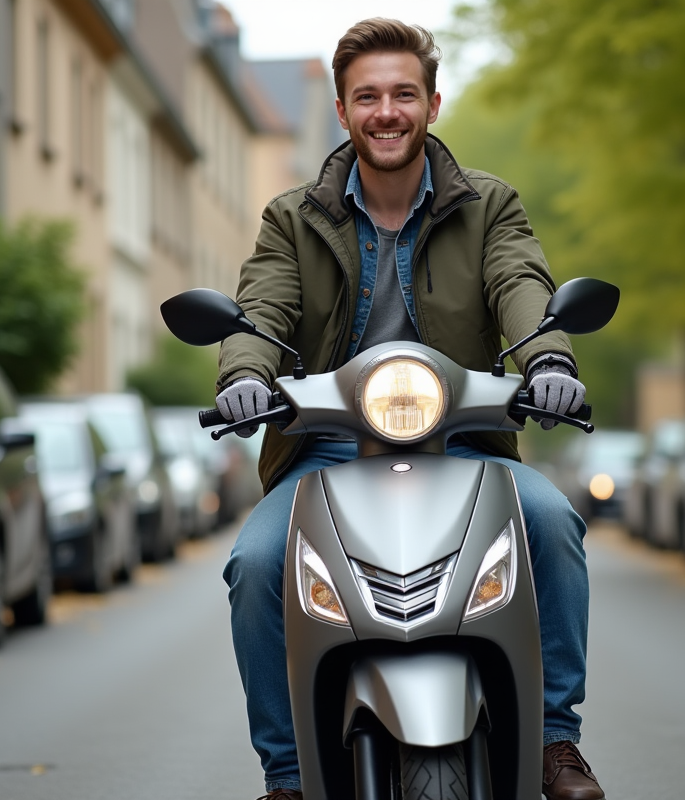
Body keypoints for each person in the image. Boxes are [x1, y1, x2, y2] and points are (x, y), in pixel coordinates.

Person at [217, 18, 605, 800]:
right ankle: (288, 776)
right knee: (255, 564)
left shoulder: (488, 204)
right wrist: (244, 376)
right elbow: (262, 306)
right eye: (368, 97)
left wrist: (549, 359)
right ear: (341, 109)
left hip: (464, 445)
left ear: (432, 102)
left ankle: (555, 743)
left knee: (555, 525)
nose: (385, 112)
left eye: (402, 94)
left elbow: (520, 281)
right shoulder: (292, 218)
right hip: (327, 449)